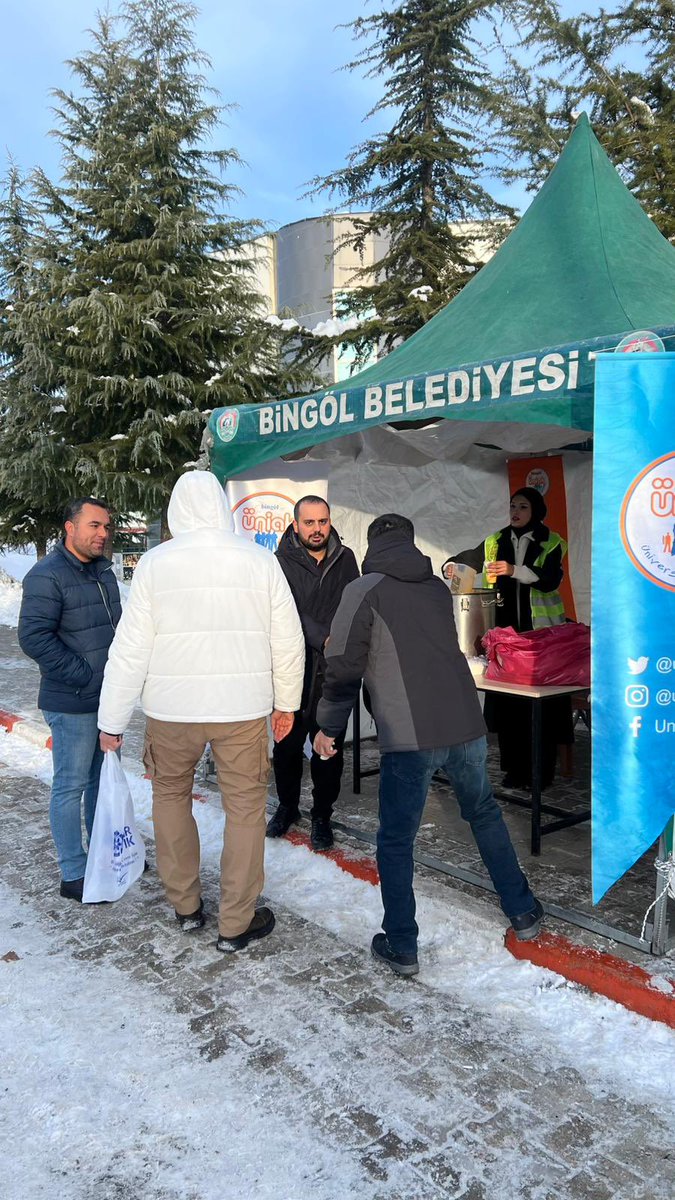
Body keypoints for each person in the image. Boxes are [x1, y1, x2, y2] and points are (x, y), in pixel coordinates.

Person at [314, 513, 543, 977]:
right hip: (465, 724)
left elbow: (341, 667)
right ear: (411, 543)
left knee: (396, 840)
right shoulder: (437, 588)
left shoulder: (364, 589)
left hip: (409, 736)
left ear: (371, 544)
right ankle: (523, 910)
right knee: (484, 814)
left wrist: (327, 728)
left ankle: (402, 943)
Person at [97, 472, 305, 953]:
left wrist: (111, 720)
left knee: (170, 798)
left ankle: (186, 905)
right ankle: (236, 921)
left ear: (175, 511)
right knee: (246, 810)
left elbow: (130, 648)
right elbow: (288, 640)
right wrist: (287, 703)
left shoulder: (155, 563)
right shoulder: (258, 560)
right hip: (242, 712)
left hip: (171, 714)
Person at [18, 497, 122, 902]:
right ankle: (73, 872)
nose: (102, 534)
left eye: (106, 527)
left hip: (105, 699)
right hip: (72, 700)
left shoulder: (103, 572)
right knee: (71, 785)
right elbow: (33, 638)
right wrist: (84, 674)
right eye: (94, 525)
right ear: (70, 527)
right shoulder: (47, 575)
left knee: (101, 781)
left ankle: (102, 854)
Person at [442, 486, 572, 790]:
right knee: (509, 707)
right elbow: (467, 560)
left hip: (539, 639)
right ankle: (514, 770)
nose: (515, 512)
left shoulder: (551, 542)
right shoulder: (495, 541)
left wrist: (514, 569)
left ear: (536, 511)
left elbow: (550, 579)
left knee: (540, 711)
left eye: (523, 507)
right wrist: (451, 565)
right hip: (504, 638)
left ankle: (540, 775)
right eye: (513, 505)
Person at [267, 495, 359, 851]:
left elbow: (354, 604)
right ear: (295, 525)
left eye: (322, 521)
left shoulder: (346, 558)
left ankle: (322, 815)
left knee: (328, 748)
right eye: (309, 523)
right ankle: (288, 806)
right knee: (287, 746)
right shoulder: (278, 563)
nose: (317, 529)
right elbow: (285, 609)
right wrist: (324, 636)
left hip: (331, 670)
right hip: (291, 668)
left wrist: (343, 641)